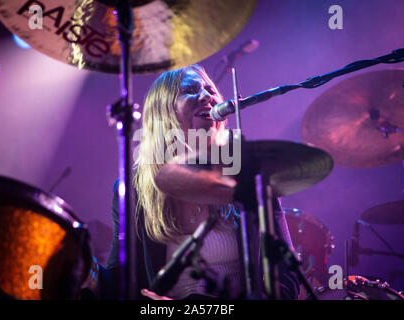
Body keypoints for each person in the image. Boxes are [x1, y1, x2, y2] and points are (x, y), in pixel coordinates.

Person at [105, 64, 299, 300]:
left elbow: (287, 276)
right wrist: (88, 270)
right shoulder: (133, 190)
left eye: (210, 89)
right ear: (163, 111)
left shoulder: (251, 176)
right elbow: (119, 280)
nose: (207, 96)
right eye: (191, 90)